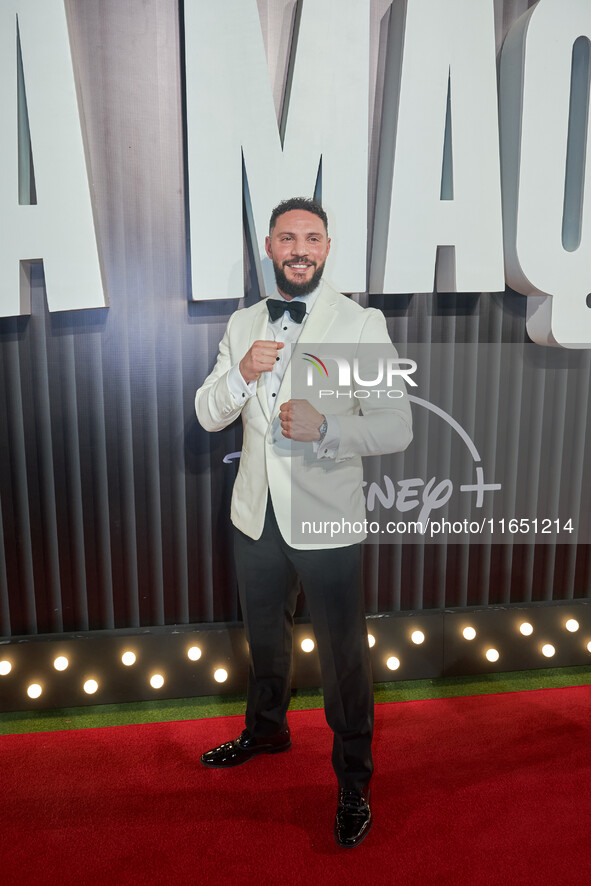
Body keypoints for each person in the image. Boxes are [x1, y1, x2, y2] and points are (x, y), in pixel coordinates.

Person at [195, 197, 412, 848]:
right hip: (253, 516)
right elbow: (208, 414)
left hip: (326, 522)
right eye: (286, 238)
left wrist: (327, 430)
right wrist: (240, 375)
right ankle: (266, 730)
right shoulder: (240, 326)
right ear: (269, 247)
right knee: (265, 639)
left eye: (310, 238)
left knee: (344, 658)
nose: (298, 249)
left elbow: (397, 425)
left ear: (325, 248)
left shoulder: (359, 323)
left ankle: (352, 781)